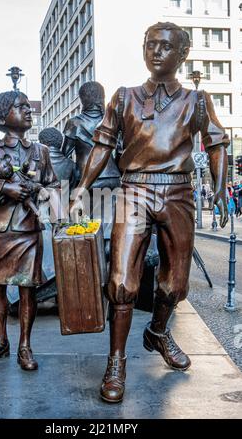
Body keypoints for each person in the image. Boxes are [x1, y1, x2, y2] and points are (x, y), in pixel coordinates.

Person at [71, 22, 229, 403]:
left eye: (166, 47)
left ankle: (157, 331)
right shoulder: (124, 97)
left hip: (177, 193)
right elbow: (102, 145)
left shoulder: (197, 100)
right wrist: (81, 187)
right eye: (150, 45)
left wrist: (221, 188)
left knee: (176, 285)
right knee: (122, 280)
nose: (156, 52)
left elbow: (217, 144)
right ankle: (117, 360)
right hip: (134, 190)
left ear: (182, 55)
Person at [0, 91, 59, 371]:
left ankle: (25, 345)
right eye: (22, 107)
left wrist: (40, 190)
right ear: (3, 117)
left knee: (27, 288)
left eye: (30, 107)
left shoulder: (40, 151)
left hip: (28, 228)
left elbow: (53, 185)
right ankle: (0, 339)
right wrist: (4, 188)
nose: (29, 111)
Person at [62, 81, 120, 241]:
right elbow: (120, 150)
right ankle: (108, 251)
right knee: (110, 223)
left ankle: (94, 256)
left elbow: (64, 155)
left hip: (85, 180)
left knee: (86, 227)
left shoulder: (74, 123)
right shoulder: (110, 122)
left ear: (82, 100)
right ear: (102, 97)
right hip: (112, 178)